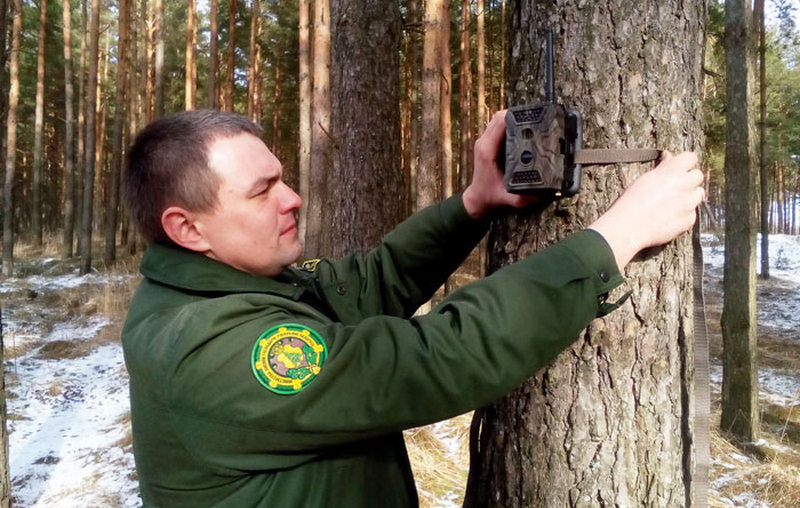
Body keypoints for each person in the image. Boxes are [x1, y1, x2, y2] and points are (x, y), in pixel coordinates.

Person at [121, 109, 704, 507]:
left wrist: (475, 204)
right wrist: (613, 239)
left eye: (282, 180)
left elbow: (371, 281)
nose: (292, 198)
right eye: (262, 190)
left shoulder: (238, 283)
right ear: (188, 228)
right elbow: (433, 360)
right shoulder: (207, 346)